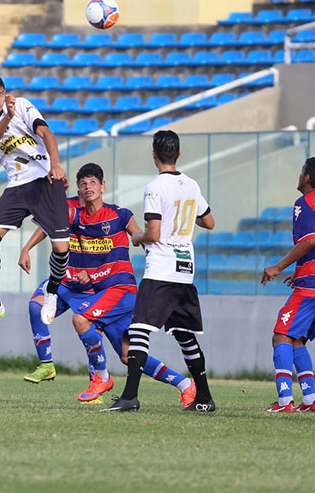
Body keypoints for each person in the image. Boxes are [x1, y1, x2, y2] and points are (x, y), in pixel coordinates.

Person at [20, 163, 196, 406]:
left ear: (103, 187)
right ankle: (47, 364)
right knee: (37, 307)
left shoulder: (120, 215)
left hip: (114, 290)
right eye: (83, 184)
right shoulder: (70, 209)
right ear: (78, 191)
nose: (87, 187)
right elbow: (47, 227)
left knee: (89, 326)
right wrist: (27, 248)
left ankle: (101, 377)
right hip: (72, 281)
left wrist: (162, 260)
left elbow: (139, 238)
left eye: (93, 182)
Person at [101, 130, 216, 413]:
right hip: (185, 270)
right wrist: (184, 219)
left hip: (161, 268)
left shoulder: (154, 187)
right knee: (185, 335)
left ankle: (129, 397)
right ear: (178, 154)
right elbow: (209, 222)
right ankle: (204, 398)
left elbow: (153, 234)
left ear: (154, 155)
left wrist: (137, 237)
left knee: (139, 329)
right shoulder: (191, 184)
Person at [0, 72, 69, 332]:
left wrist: (56, 165)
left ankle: (52, 293)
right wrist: (9, 117)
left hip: (45, 178)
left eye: (2, 93)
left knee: (61, 248)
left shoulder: (22, 104)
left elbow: (46, 133)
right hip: (17, 184)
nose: (0, 99)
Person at [260, 157, 315, 413]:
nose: (299, 176)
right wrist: (301, 271)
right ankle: (310, 400)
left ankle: (285, 401)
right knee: (297, 339)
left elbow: (310, 240)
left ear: (307, 177)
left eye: (301, 171)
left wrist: (279, 267)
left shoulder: (304, 203)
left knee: (281, 335)